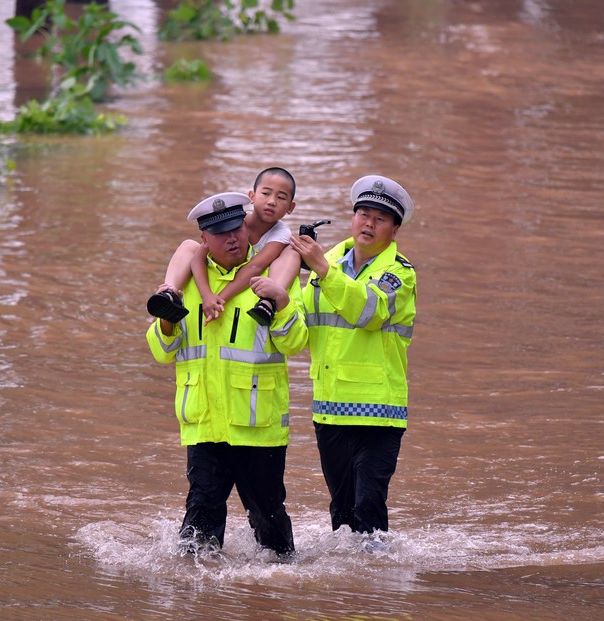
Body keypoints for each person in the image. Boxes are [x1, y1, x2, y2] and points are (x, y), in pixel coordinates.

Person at [146, 191, 309, 559]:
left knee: (272, 533)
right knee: (197, 536)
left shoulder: (274, 275)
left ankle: (274, 596)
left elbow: (297, 343)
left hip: (259, 428)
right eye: (220, 233)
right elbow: (160, 351)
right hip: (205, 426)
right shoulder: (183, 284)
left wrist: (280, 305)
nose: (232, 238)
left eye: (236, 228)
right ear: (204, 239)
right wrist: (168, 326)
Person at [289, 174, 417, 541]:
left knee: (369, 510)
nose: (369, 223)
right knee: (341, 515)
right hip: (329, 409)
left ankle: (376, 590)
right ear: (352, 218)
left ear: (394, 229)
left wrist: (323, 271)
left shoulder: (399, 274)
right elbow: (298, 325)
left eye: (380, 218)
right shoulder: (323, 263)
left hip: (379, 413)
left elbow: (370, 311)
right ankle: (347, 595)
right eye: (363, 214)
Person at [147, 167, 301, 326]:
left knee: (293, 250)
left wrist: (220, 299)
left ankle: (268, 302)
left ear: (291, 207)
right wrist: (206, 295)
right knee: (188, 245)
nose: (271, 201)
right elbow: (197, 258)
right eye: (266, 193)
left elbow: (255, 266)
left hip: (253, 276)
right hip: (227, 268)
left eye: (281, 197)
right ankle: (169, 293)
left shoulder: (281, 234)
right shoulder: (237, 220)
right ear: (252, 196)